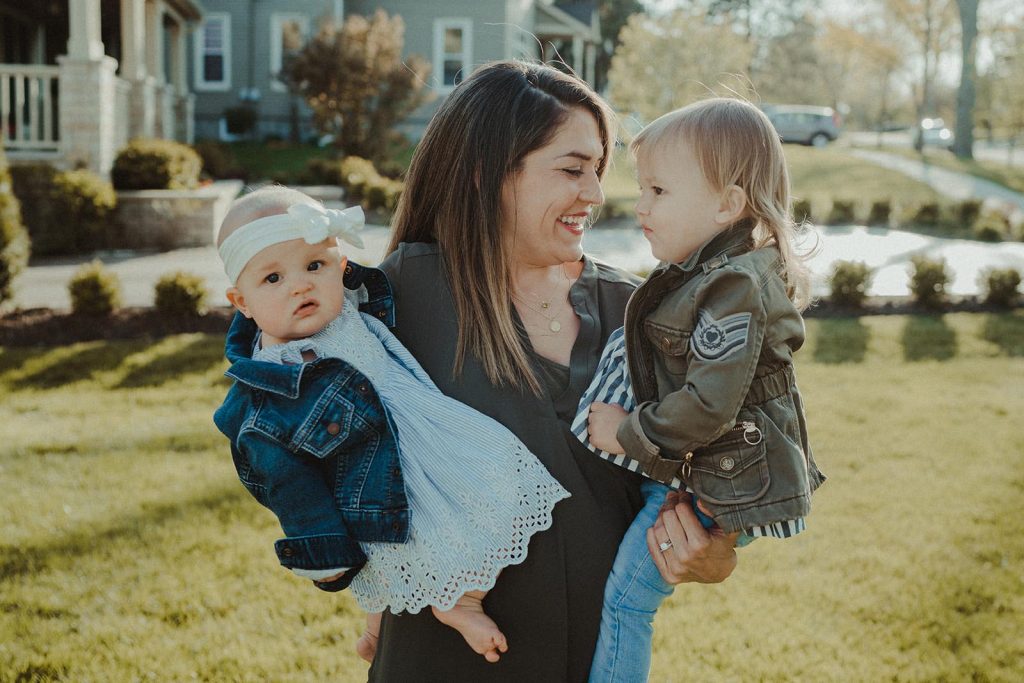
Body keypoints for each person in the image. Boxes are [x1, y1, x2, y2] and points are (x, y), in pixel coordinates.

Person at [358, 61, 739, 681]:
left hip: (591, 662)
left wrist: (714, 554)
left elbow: (712, 483)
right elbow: (303, 434)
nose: (594, 193)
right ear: (487, 173)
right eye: (570, 169)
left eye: (597, 170)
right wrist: (378, 569)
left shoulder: (644, 314)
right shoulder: (405, 294)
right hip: (440, 661)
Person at [212, 185, 571, 664]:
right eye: (273, 278)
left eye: (315, 266)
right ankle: (458, 602)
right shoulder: (271, 393)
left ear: (340, 266)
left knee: (494, 481)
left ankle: (378, 622)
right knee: (429, 535)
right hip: (379, 479)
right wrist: (323, 551)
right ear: (242, 301)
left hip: (428, 429)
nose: (300, 286)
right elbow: (285, 481)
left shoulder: (349, 306)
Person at [576, 98, 827, 682]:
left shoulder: (733, 287)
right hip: (711, 472)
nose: (640, 207)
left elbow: (710, 406)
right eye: (642, 189)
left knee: (626, 604)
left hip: (722, 482)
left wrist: (626, 432)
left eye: (658, 192)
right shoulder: (711, 274)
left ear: (727, 204)